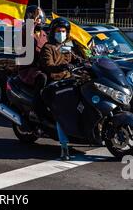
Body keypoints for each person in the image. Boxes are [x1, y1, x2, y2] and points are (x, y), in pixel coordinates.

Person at [39, 17, 85, 161]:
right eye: (59, 31)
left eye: (63, 31)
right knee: (63, 114)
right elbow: (48, 65)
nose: (61, 34)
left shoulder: (67, 46)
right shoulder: (48, 48)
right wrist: (62, 67)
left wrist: (85, 60)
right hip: (55, 84)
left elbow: (75, 57)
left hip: (70, 81)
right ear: (53, 32)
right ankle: (64, 147)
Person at [18, 6, 48, 120]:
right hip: (29, 68)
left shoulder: (44, 34)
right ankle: (35, 110)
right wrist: (32, 21)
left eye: (40, 17)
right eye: (37, 17)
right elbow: (29, 35)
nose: (39, 19)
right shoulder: (25, 30)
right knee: (42, 78)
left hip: (43, 65)